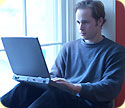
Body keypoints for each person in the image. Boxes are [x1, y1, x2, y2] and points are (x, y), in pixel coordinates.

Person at [1, 0, 125, 108]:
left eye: (85, 22)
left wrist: (75, 87)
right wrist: (38, 80)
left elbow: (110, 88)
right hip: (67, 96)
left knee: (57, 95)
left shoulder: (115, 51)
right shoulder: (69, 48)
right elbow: (55, 75)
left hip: (90, 103)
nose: (80, 28)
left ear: (99, 21)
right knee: (25, 88)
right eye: (78, 22)